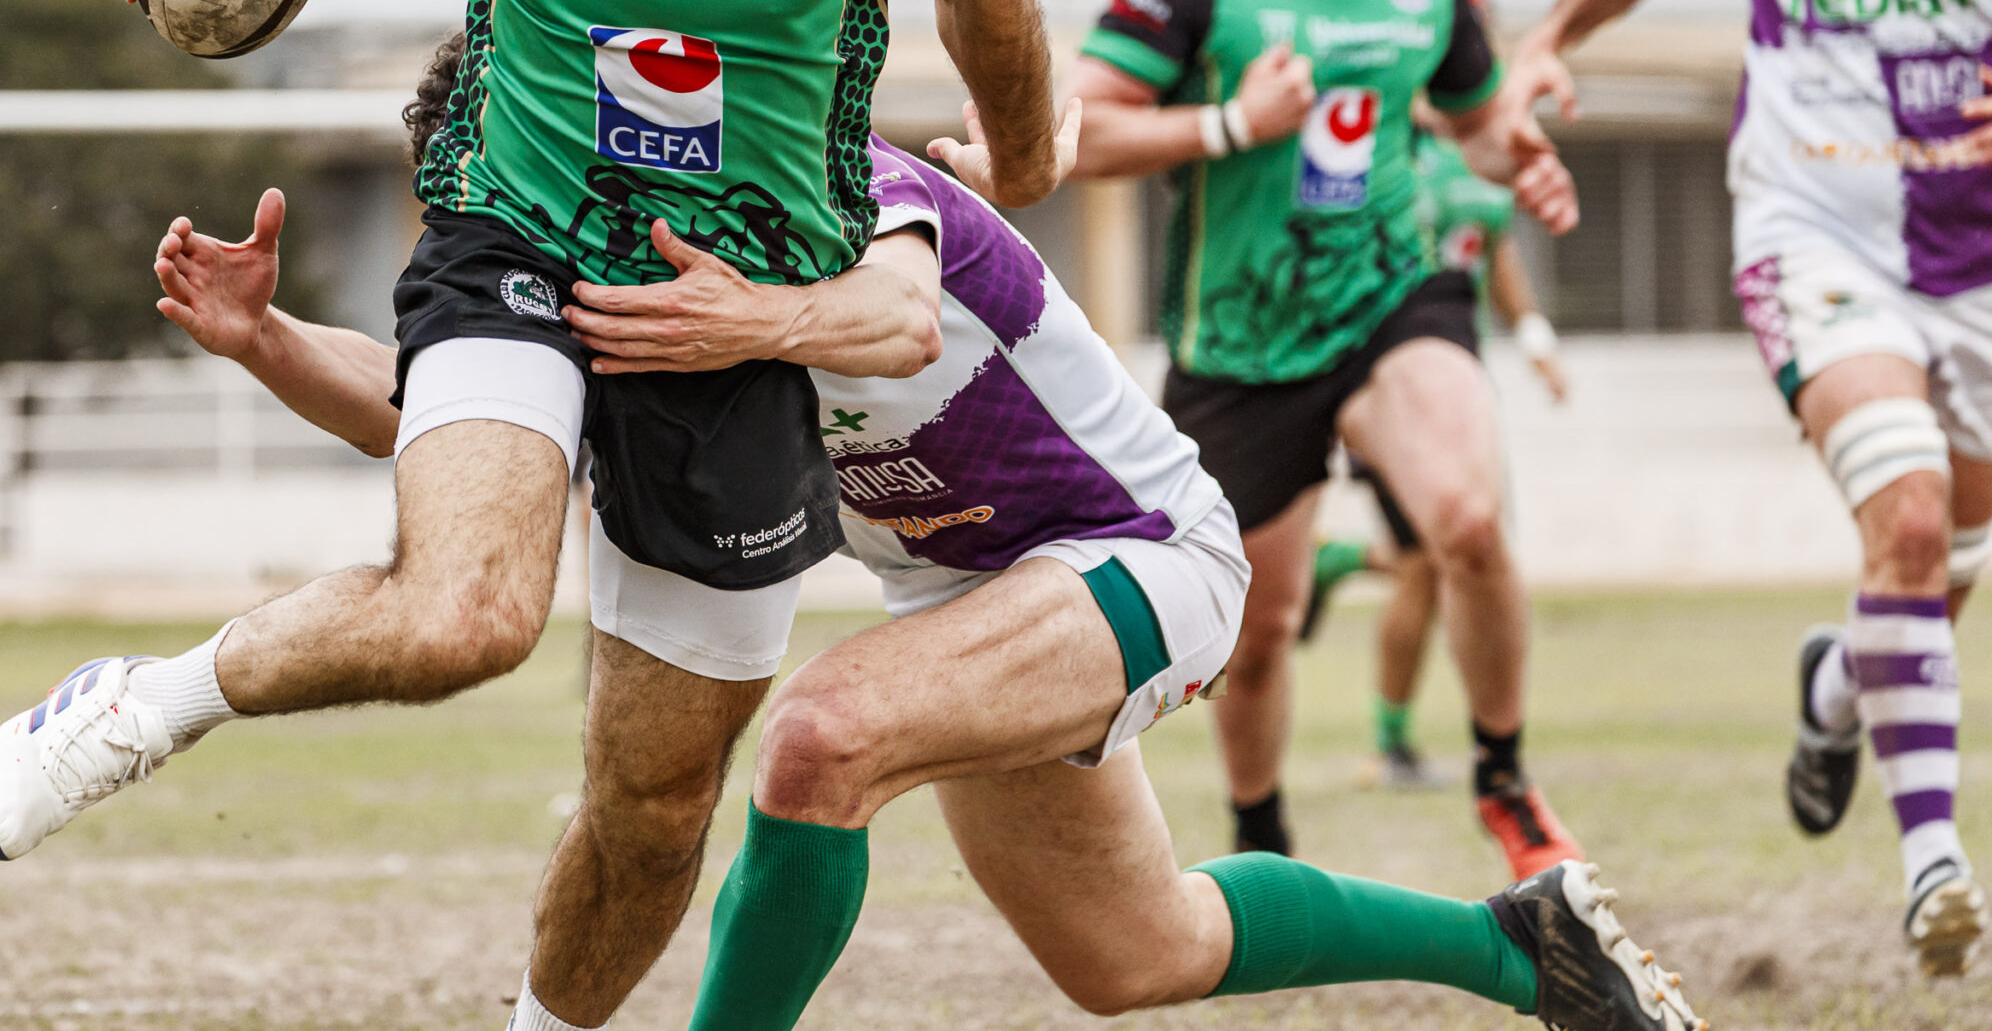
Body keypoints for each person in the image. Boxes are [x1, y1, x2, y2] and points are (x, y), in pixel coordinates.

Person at [0, 0, 1062, 1031]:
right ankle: (149, 701)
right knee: (466, 615)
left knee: (653, 811)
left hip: (743, 315)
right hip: (517, 232)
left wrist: (1025, 159)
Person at [141, 61, 1704, 1031]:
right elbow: (443, 416)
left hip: (1143, 551)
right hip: (974, 594)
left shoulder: (824, 190)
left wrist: (763, 317)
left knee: (818, 732)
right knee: (1133, 950)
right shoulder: (605, 282)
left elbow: (896, 304)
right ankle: (1523, 946)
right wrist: (269, 336)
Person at [1498, 0, 1991, 978]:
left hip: (1972, 263)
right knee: (1906, 514)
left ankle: (1835, 685)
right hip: (1811, 233)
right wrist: (1549, 37)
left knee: (1940, 562)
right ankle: (1936, 865)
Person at [1064, 0, 1586, 879]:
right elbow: (1074, 131)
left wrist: (1526, 156)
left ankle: (1505, 779)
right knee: (1253, 634)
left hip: (1393, 295)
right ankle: (1263, 843)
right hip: (1242, 340)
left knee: (1468, 519)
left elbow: (1478, 127)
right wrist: (1228, 125)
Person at [1302, 121, 1572, 791]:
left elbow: (1496, 251)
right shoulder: (1383, 148)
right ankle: (1394, 746)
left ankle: (1345, 561)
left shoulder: (1486, 151)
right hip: (1388, 389)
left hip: (1457, 388)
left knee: (1457, 554)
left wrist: (1535, 338)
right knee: (1427, 562)